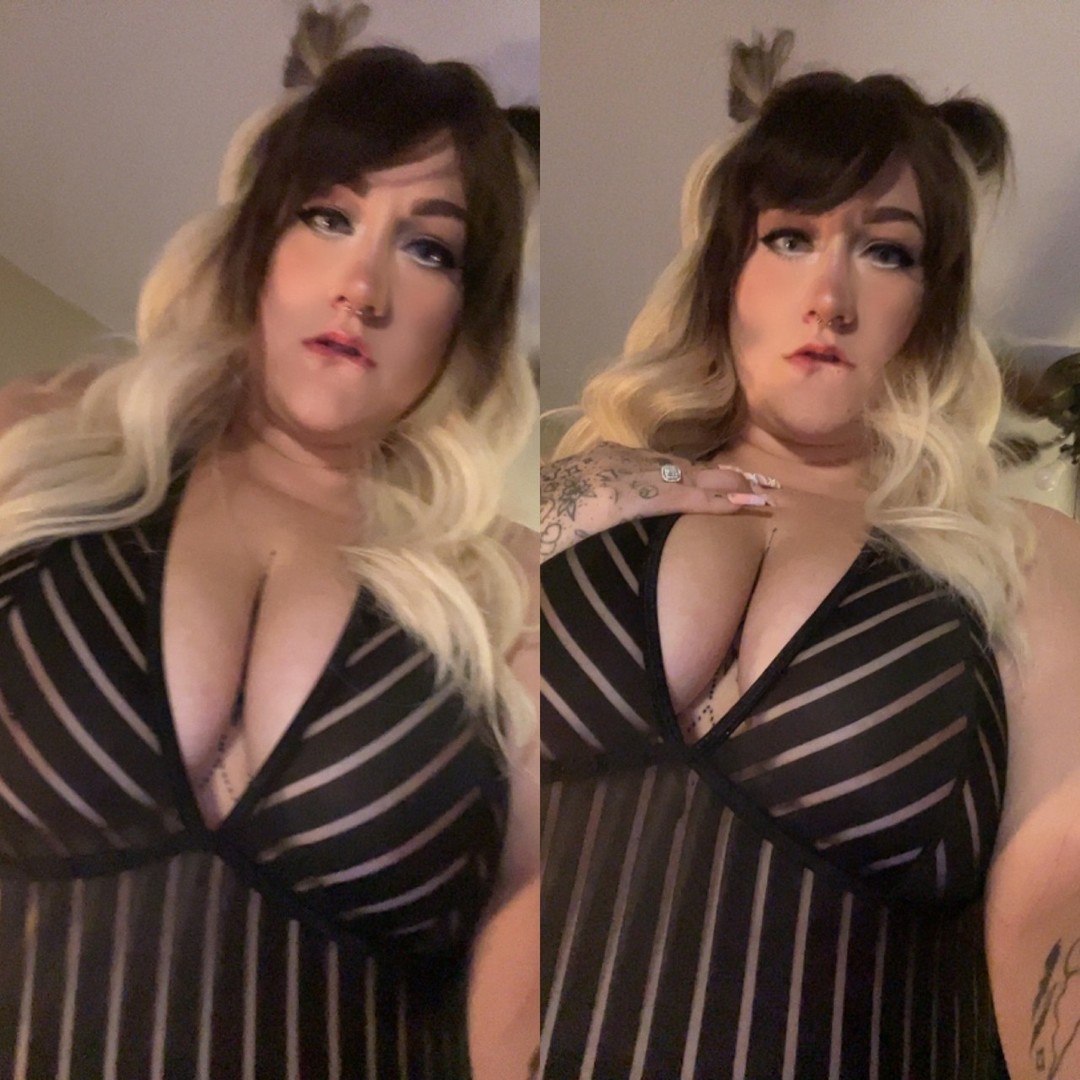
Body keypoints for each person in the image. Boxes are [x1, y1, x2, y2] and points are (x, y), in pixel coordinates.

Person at [0, 6, 539, 1078]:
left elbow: (519, 1001)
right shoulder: (32, 450)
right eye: (327, 217)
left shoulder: (512, 596)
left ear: (465, 320)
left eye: (428, 249)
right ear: (253, 242)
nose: (363, 289)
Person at [539, 32, 1080, 1079]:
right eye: (789, 237)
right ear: (724, 276)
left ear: (929, 310)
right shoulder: (582, 496)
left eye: (887, 252)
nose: (830, 296)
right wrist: (575, 495)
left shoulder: (1025, 556)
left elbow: (1059, 904)